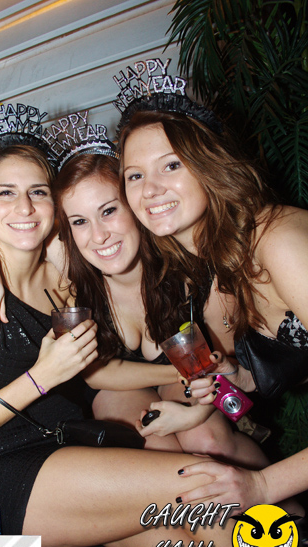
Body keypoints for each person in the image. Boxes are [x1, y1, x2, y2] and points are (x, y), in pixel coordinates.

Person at [0, 132, 272, 547]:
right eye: (5, 193)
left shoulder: (60, 278)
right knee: (208, 488)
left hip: (69, 448)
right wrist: (41, 374)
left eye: (37, 192)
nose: (24, 206)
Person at [116, 80, 308, 510]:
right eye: (135, 175)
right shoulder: (206, 265)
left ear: (209, 164)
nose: (150, 190)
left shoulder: (278, 242)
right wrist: (240, 378)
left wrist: (264, 486)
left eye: (171, 165)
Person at [53, 149, 268, 468]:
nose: (99, 235)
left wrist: (196, 409)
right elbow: (97, 375)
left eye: (109, 210)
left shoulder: (187, 267)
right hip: (116, 388)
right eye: (80, 221)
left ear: (135, 204)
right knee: (159, 456)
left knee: (207, 442)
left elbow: (226, 361)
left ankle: (279, 499)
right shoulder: (67, 281)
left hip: (197, 377)